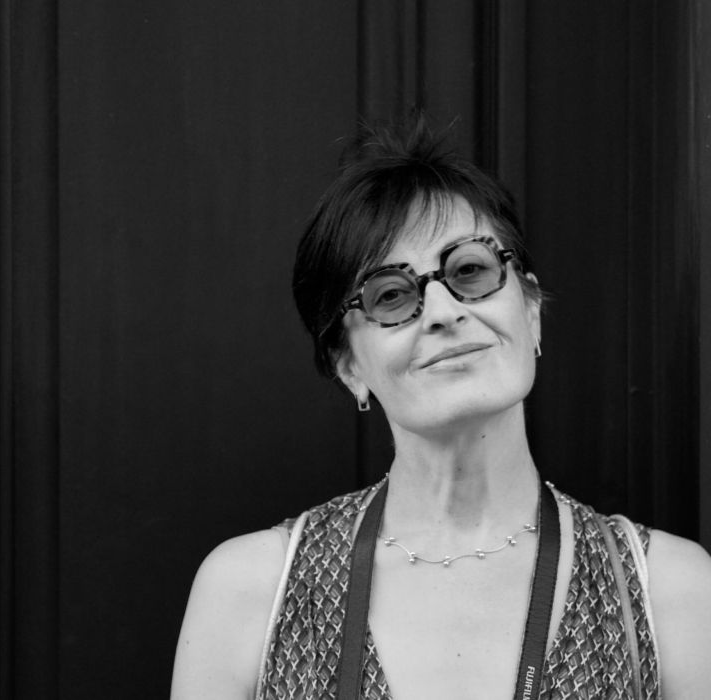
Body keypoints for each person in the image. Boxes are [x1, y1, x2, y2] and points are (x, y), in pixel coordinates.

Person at [171, 115, 711, 699]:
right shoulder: (251, 592)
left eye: (470, 270)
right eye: (390, 295)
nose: (443, 311)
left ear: (530, 311)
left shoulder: (669, 593)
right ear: (349, 366)